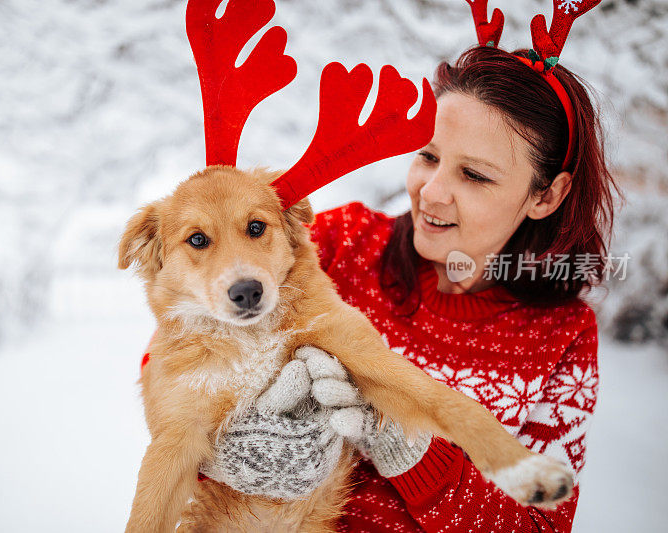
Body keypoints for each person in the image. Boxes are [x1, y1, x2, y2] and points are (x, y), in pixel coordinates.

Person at [195, 44, 619, 532]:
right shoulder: (334, 244)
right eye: (427, 155)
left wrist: (415, 454)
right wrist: (232, 449)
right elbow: (173, 359)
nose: (432, 191)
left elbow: (544, 524)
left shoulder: (560, 334)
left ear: (547, 195)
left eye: (475, 175)